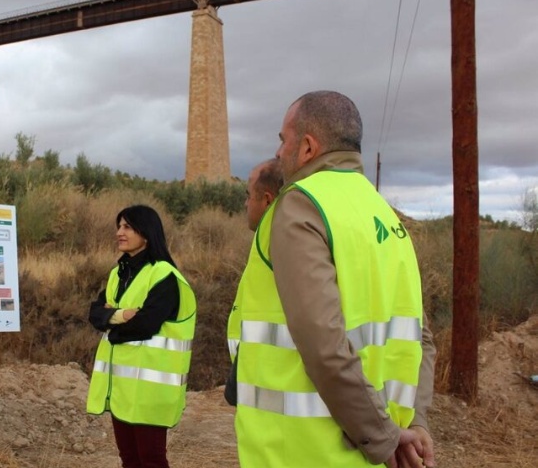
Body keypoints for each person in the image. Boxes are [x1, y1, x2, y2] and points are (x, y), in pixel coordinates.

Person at [234, 91, 437, 468]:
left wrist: (382, 437)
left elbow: (323, 343)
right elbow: (420, 337)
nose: (278, 153)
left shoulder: (300, 204)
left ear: (308, 147)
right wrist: (415, 423)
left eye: (284, 140)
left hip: (300, 452)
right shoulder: (386, 215)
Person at [86, 205, 197, 468]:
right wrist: (123, 316)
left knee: (152, 461)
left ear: (146, 233)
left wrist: (111, 322)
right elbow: (94, 314)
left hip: (151, 392)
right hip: (122, 389)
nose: (119, 233)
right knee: (130, 460)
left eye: (127, 227)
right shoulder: (118, 273)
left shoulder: (165, 276)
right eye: (119, 226)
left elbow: (145, 325)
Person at [225, 159, 283, 406]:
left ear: (268, 200)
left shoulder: (280, 240)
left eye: (249, 196)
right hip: (256, 381)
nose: (246, 203)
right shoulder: (265, 240)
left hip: (273, 388)